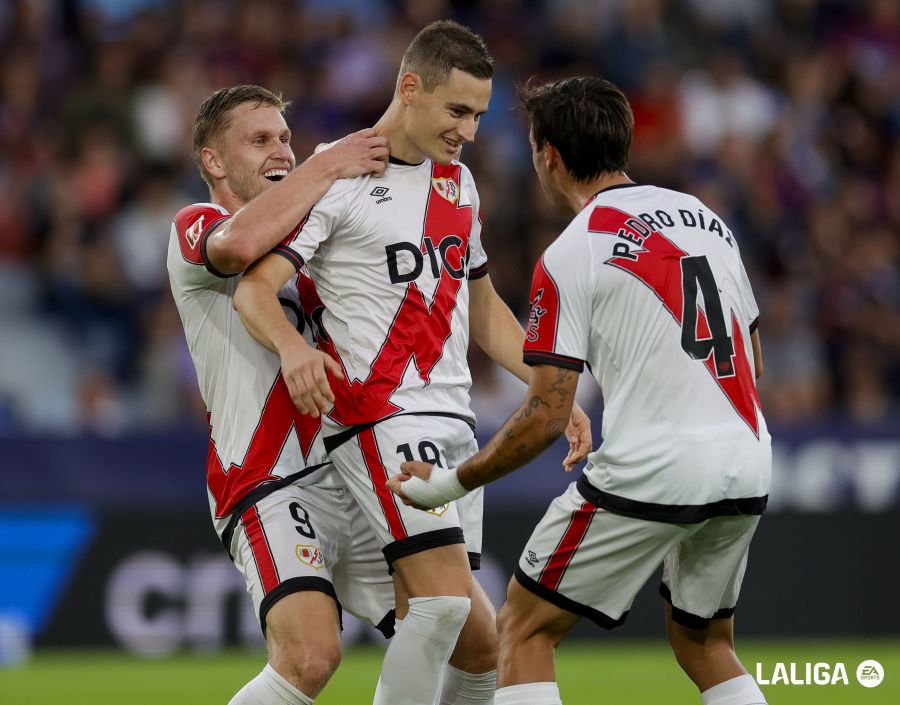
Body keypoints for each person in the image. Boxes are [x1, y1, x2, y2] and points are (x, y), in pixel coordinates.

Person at [233, 22, 592, 705]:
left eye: (480, 116)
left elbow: (482, 311)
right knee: (444, 607)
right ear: (409, 89)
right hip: (380, 416)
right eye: (457, 110)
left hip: (455, 421)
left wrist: (551, 388)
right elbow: (253, 287)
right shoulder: (339, 177)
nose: (470, 130)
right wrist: (295, 347)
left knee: (478, 644)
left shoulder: (460, 187)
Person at [390, 76, 771, 705]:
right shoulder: (708, 221)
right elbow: (751, 356)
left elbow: (546, 415)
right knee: (705, 643)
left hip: (656, 465)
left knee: (523, 628)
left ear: (549, 156)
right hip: (747, 458)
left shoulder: (573, 251)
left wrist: (451, 483)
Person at [167, 84, 395, 705]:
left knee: (456, 632)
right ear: (214, 161)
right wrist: (328, 162)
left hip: (351, 471)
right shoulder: (197, 227)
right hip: (265, 475)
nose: (283, 151)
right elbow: (239, 247)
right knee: (310, 656)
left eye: (286, 139)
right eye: (260, 139)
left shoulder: (316, 249)